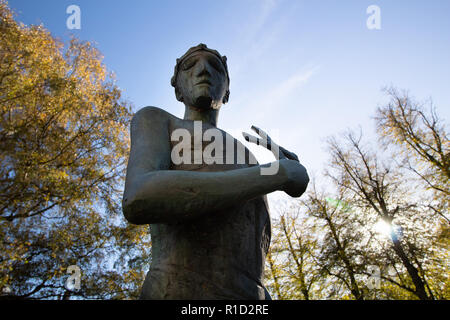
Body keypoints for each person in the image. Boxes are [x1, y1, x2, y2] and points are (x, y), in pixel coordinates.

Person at [122, 44, 309, 299]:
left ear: (228, 91)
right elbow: (139, 196)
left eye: (215, 66)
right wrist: (277, 175)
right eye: (190, 65)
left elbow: (252, 253)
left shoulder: (248, 157)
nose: (203, 71)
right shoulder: (157, 120)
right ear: (176, 88)